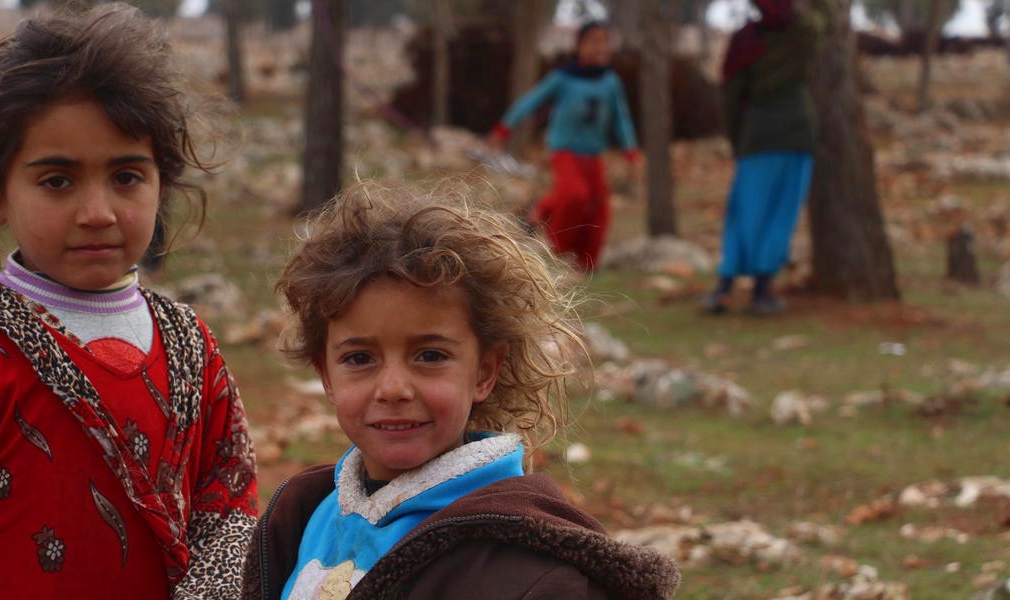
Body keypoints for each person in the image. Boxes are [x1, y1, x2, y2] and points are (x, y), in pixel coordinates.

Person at [0, 5, 257, 599]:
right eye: (57, 181)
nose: (97, 212)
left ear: (160, 183)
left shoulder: (190, 346)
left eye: (126, 177)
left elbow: (229, 518)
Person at [243, 182, 680, 599]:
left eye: (430, 356)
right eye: (359, 358)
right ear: (326, 375)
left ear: (485, 372)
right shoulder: (308, 517)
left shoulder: (532, 571)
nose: (393, 388)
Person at [488, 21, 640, 273]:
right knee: (574, 195)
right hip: (565, 152)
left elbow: (621, 117)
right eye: (594, 41)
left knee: (600, 208)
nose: (601, 47)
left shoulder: (610, 82)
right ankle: (555, 248)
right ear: (580, 45)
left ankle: (585, 262)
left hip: (594, 155)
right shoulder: (563, 78)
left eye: (605, 41)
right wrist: (504, 128)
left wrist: (630, 150)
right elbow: (530, 101)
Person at [706, 0, 824, 315]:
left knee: (744, 213)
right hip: (797, 133)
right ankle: (761, 291)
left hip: (756, 136)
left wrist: (737, 141)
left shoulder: (747, 40)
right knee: (780, 215)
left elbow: (731, 96)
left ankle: (724, 288)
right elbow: (823, 16)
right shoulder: (804, 30)